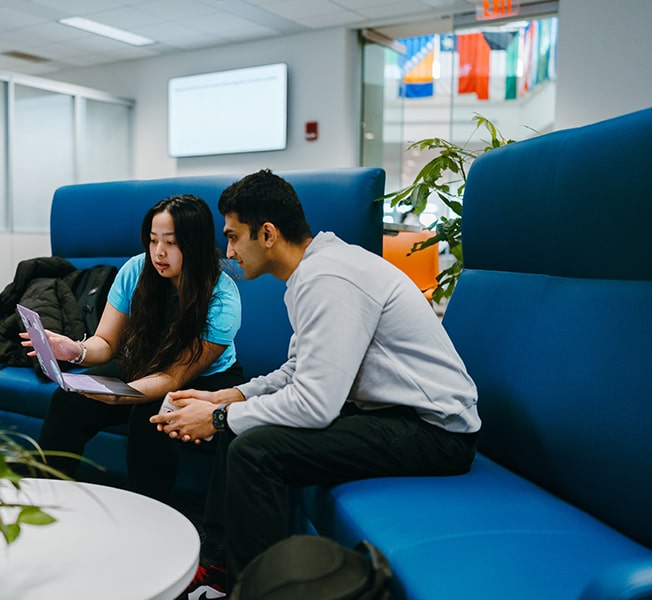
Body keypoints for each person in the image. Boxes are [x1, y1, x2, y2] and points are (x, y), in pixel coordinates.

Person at [150, 169, 481, 598]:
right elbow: (297, 370)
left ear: (267, 233)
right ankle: (220, 571)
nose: (229, 251)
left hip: (435, 432)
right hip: (389, 414)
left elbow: (315, 404)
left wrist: (216, 417)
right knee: (241, 430)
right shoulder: (316, 271)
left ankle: (259, 591)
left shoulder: (329, 278)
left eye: (234, 237)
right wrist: (228, 396)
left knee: (253, 449)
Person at [26, 194, 244, 503]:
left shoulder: (222, 298)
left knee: (148, 415)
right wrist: (73, 350)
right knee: (67, 400)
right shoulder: (135, 271)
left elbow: (172, 378)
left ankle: (151, 514)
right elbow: (106, 343)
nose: (159, 252)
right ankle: (49, 500)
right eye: (153, 240)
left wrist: (121, 393)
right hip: (144, 361)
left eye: (171, 242)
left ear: (194, 244)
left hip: (201, 378)